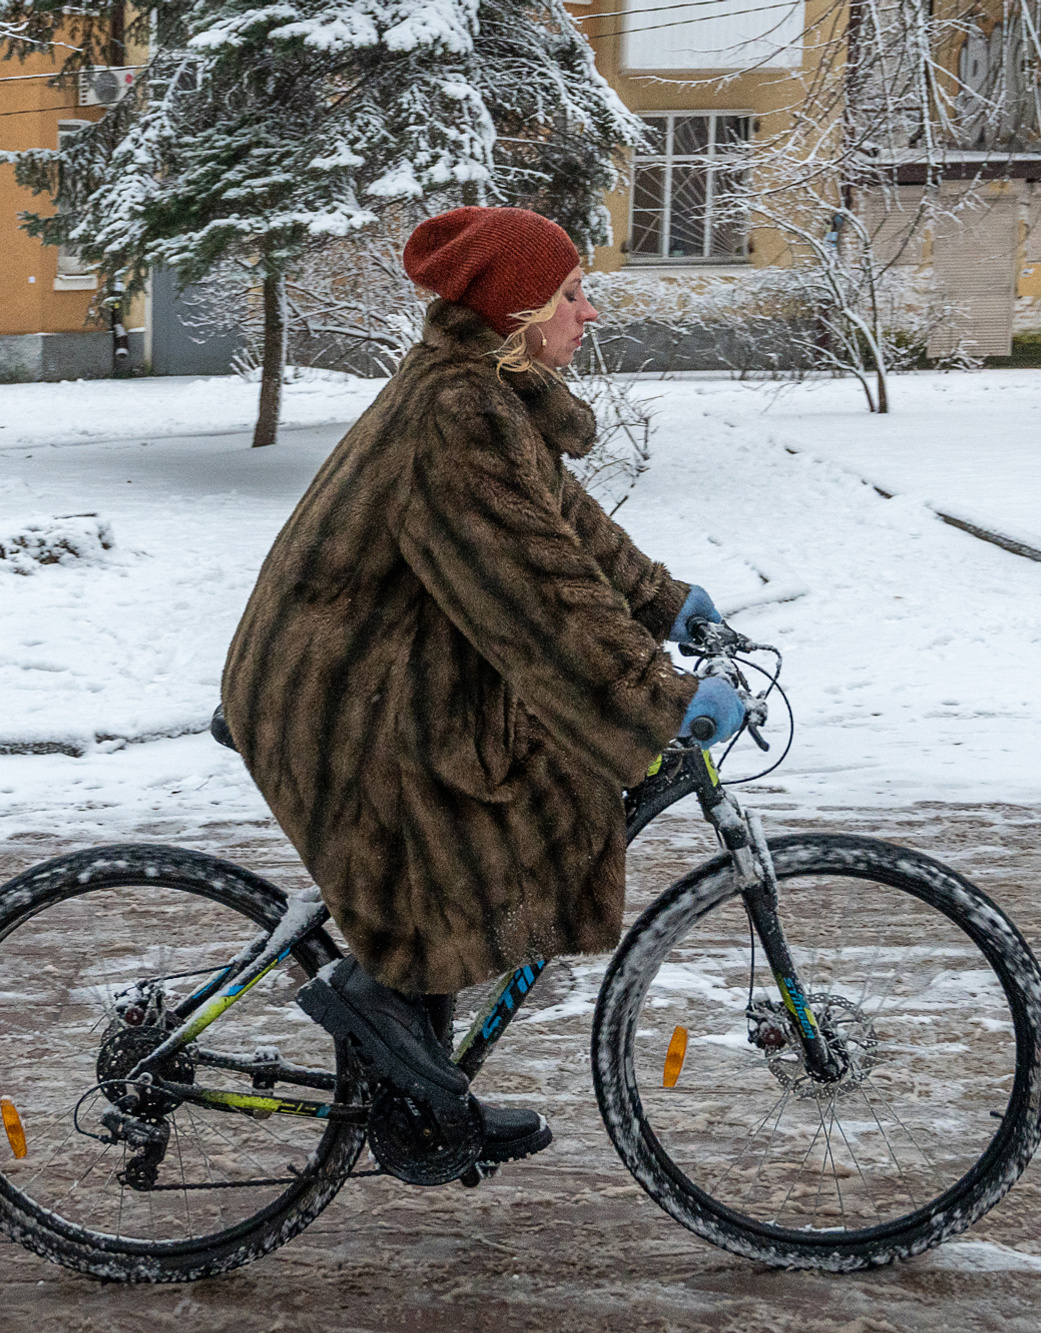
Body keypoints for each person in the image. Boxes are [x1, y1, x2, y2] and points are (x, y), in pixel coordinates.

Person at [219, 206, 743, 1170]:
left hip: (388, 676)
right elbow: (537, 598)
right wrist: (657, 700)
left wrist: (671, 606)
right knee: (514, 808)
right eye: (573, 295)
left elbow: (565, 530)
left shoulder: (489, 395)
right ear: (519, 313)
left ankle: (413, 1102)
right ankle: (385, 1012)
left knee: (524, 791)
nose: (589, 314)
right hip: (337, 699)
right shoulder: (459, 414)